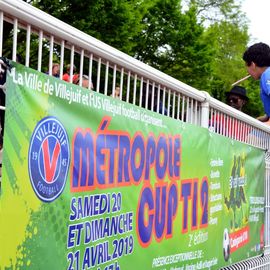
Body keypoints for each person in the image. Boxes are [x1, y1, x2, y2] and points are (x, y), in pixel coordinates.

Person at [242, 42, 270, 122]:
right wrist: (266, 117)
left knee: (249, 135)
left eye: (247, 66)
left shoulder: (267, 75)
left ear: (253, 65)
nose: (248, 72)